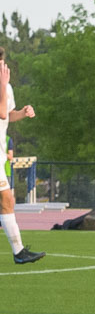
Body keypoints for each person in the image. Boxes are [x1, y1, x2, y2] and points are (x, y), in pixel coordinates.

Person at [0, 51, 43, 264]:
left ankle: (19, 252)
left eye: (2, 64)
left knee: (7, 199)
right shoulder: (3, 86)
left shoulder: (6, 87)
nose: (2, 69)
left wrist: (23, 112)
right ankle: (18, 251)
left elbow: (8, 114)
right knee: (6, 198)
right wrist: (2, 85)